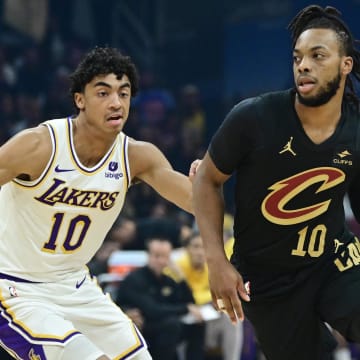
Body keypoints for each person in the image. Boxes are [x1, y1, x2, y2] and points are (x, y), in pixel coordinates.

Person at [0, 46, 195, 359]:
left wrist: (212, 178)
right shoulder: (39, 145)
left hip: (74, 284)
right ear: (80, 100)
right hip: (14, 285)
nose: (116, 103)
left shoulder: (136, 156)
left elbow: (196, 201)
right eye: (103, 93)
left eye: (124, 93)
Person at [192, 5, 360, 360]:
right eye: (298, 57)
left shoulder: (356, 128)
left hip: (332, 258)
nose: (303, 65)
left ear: (346, 65)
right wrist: (217, 261)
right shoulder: (253, 117)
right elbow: (206, 179)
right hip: (268, 278)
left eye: (318, 56)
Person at [116, 237, 205, 360]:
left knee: (197, 324)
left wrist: (181, 278)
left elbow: (190, 302)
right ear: (148, 256)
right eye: (157, 256)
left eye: (165, 257)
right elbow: (152, 310)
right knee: (172, 325)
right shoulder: (135, 279)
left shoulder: (167, 280)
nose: (161, 261)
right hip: (139, 326)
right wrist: (186, 308)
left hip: (162, 324)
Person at [170, 230, 243, 360]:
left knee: (232, 316)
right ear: (187, 249)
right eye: (196, 247)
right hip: (183, 314)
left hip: (207, 314)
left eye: (203, 247)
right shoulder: (177, 266)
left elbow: (218, 292)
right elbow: (174, 297)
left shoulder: (212, 266)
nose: (200, 252)